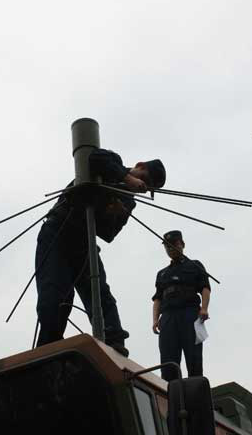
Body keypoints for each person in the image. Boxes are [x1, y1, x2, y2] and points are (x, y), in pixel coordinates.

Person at [35, 148, 166, 356]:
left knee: (99, 293)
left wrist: (112, 215)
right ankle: (48, 346)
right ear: (139, 166)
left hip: (83, 242)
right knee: (54, 295)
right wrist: (127, 179)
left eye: (148, 188)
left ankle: (113, 342)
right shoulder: (113, 162)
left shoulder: (128, 201)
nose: (143, 188)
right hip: (58, 232)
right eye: (145, 180)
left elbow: (108, 234)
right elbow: (93, 159)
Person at [152, 230, 211, 381]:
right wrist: (155, 319)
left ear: (182, 244)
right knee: (168, 362)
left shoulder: (194, 265)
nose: (170, 249)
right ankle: (171, 395)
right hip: (168, 317)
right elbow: (158, 298)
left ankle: (196, 396)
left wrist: (204, 308)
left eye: (173, 245)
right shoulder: (162, 273)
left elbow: (205, 287)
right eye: (167, 247)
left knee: (194, 358)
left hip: (189, 313)